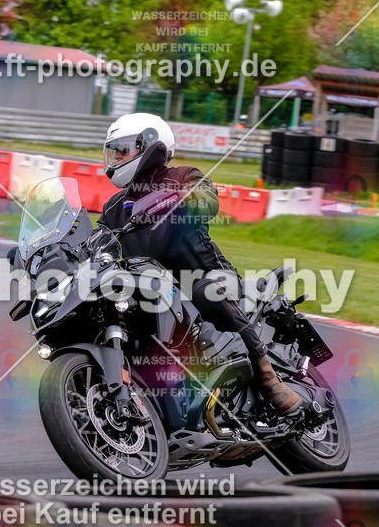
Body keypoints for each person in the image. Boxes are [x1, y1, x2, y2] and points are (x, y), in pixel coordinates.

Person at [96, 113, 305, 417]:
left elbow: (208, 200)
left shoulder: (181, 175)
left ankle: (269, 379)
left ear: (150, 146)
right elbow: (97, 243)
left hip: (205, 275)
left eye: (123, 149)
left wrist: (184, 197)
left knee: (208, 293)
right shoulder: (114, 207)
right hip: (152, 291)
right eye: (113, 150)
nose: (116, 157)